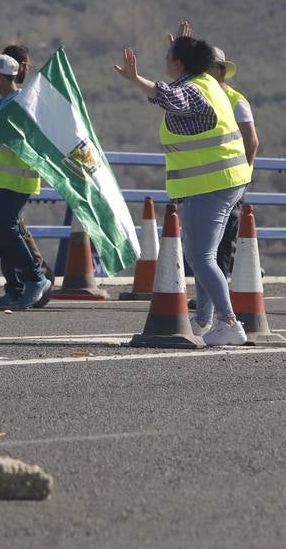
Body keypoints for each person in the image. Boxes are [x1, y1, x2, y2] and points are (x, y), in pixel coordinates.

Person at [115, 33, 248, 345]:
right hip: (221, 180)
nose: (164, 62)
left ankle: (229, 322)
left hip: (211, 183)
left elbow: (169, 96)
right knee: (203, 254)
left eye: (168, 57)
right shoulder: (207, 83)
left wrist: (136, 79)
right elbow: (177, 89)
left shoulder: (193, 91)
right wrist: (187, 46)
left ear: (177, 63)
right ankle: (203, 319)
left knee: (201, 257)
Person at [0, 54, 51, 310]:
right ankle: (14, 289)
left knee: (7, 229)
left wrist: (2, 130)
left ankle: (35, 278)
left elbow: (29, 140)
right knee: (3, 232)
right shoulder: (3, 103)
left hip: (18, 180)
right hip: (1, 179)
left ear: (0, 77)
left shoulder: (22, 103)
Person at [209, 45, 259, 276]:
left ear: (220, 70)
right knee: (210, 237)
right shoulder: (203, 98)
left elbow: (252, 142)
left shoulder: (236, 101)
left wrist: (242, 178)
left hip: (231, 180)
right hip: (208, 179)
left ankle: (225, 285)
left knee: (226, 233)